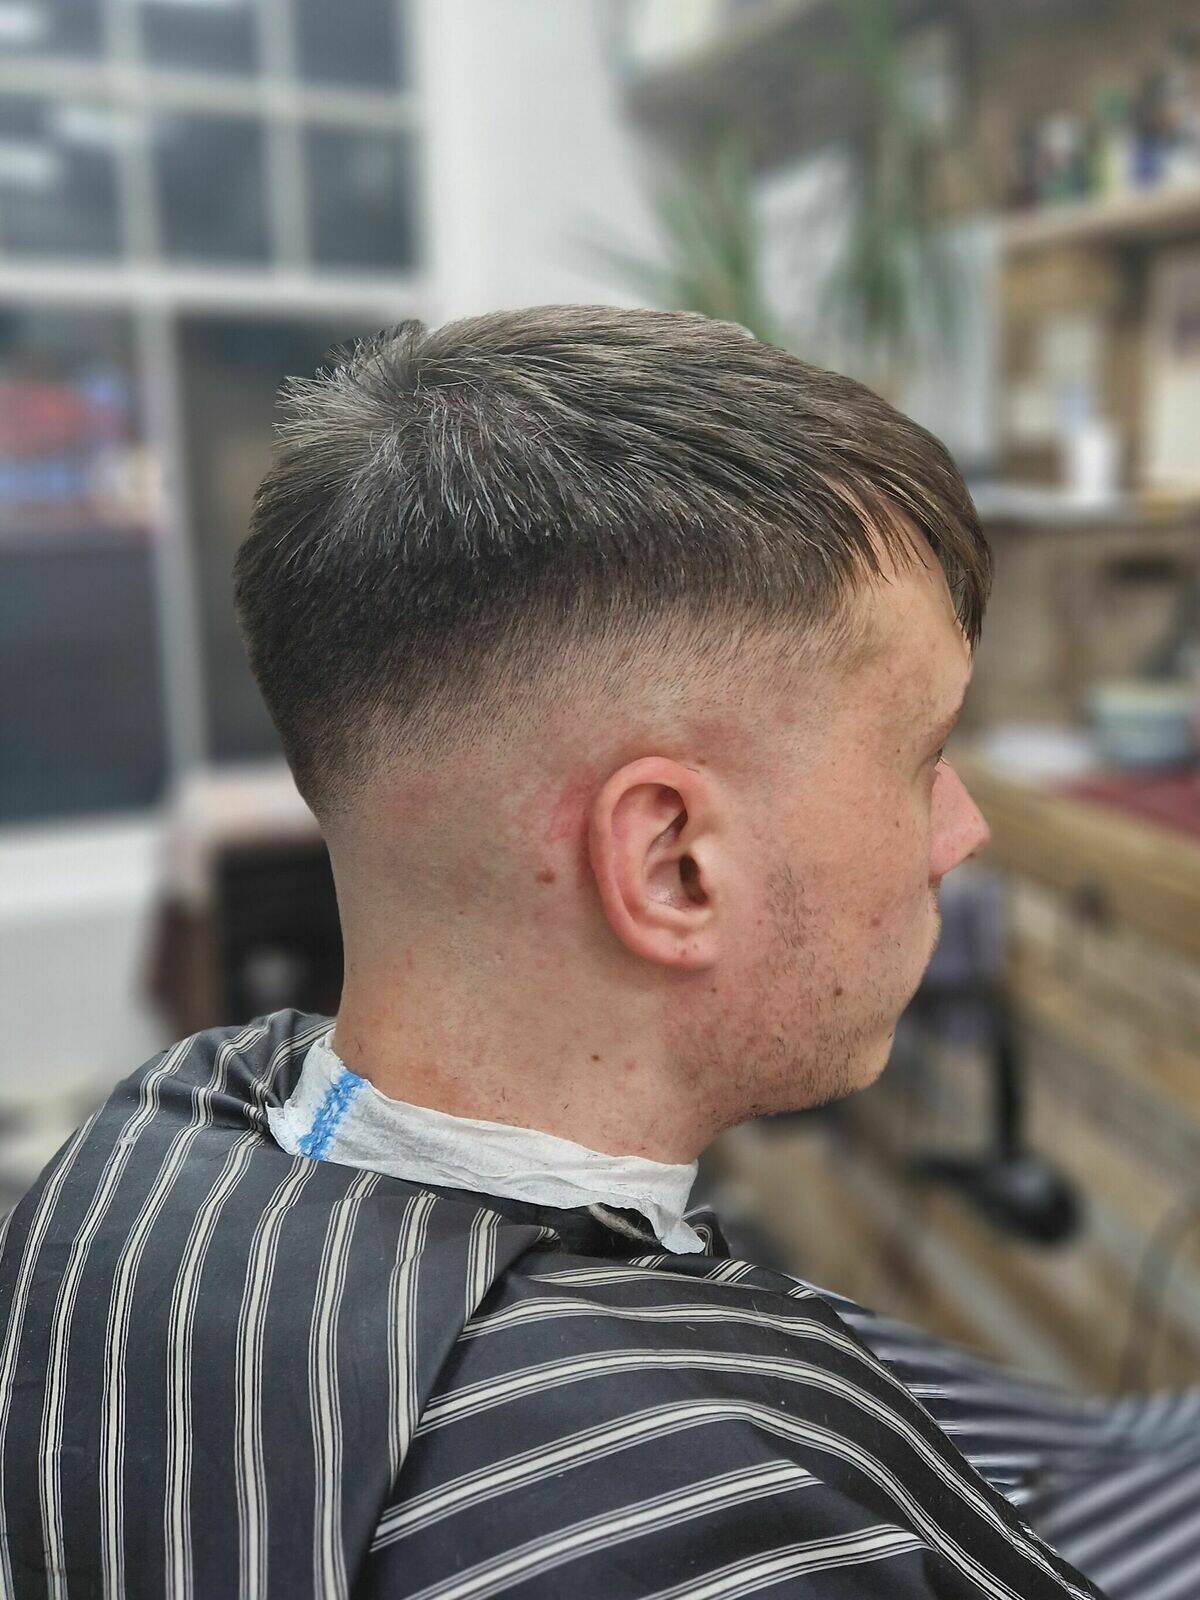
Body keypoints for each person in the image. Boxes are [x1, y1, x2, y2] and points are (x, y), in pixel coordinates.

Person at [0, 307, 1193, 1599]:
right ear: (671, 864)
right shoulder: (727, 1510)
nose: (960, 831)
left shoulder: (131, 1164)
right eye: (925, 755)